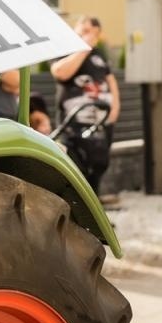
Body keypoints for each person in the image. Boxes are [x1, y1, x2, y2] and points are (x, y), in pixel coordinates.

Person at [50, 15, 120, 194]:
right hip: (74, 127)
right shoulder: (66, 50)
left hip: (99, 125)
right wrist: (83, 49)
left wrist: (114, 109)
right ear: (76, 29)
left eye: (94, 34)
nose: (90, 37)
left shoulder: (99, 55)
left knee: (97, 168)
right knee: (76, 171)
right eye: (86, 31)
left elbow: (110, 80)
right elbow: (60, 72)